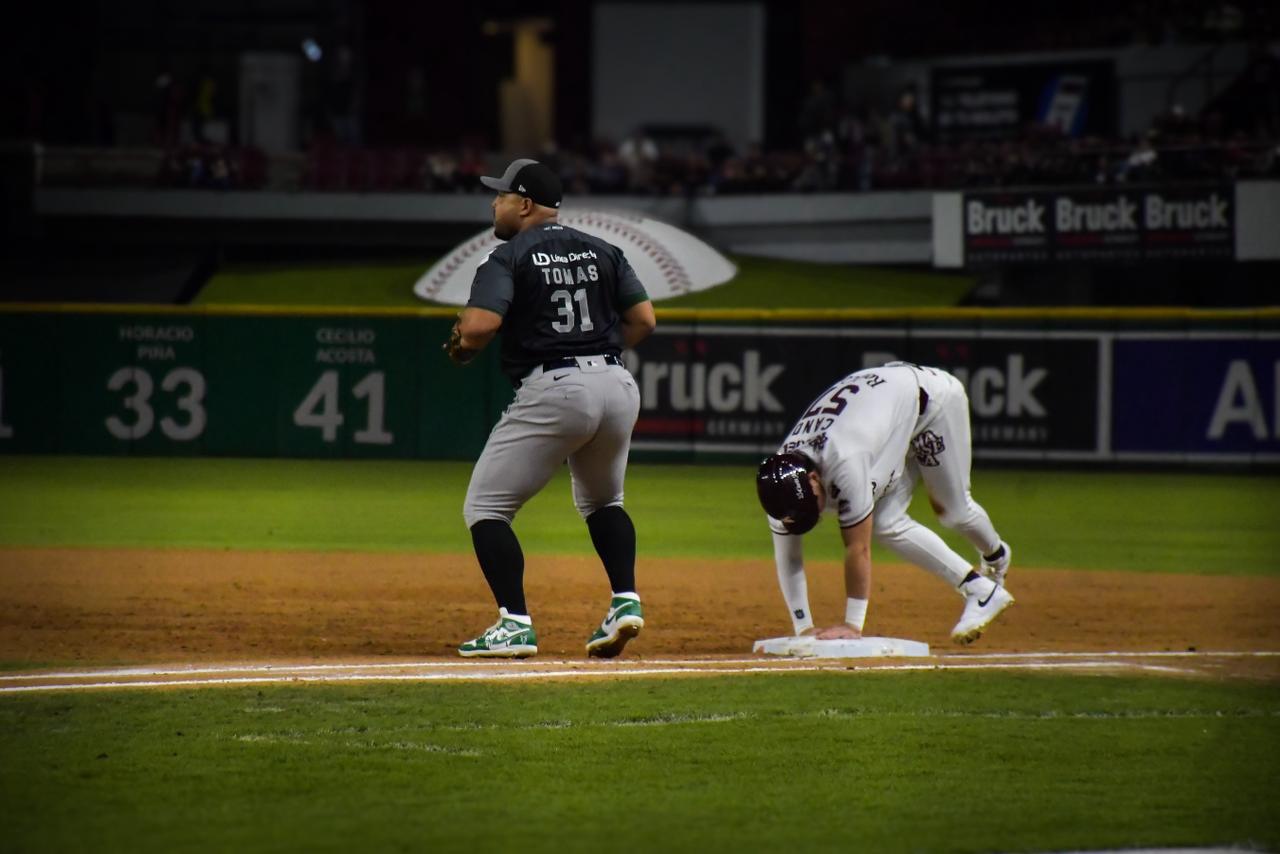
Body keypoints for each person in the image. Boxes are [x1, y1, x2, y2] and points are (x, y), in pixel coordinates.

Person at [443, 158, 657, 659]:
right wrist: (597, 351)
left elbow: (478, 328)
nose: (494, 203)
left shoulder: (507, 256)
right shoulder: (604, 250)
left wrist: (462, 344)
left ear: (524, 204)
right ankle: (625, 601)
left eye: (500, 195)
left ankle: (514, 623)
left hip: (556, 385)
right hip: (616, 383)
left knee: (486, 508)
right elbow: (644, 320)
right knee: (605, 502)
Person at [755, 362, 1014, 645]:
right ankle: (980, 590)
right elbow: (789, 559)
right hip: (890, 414)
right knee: (885, 524)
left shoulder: (845, 461)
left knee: (955, 512)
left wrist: (852, 625)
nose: (813, 515)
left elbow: (858, 547)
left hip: (933, 402)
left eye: (811, 506)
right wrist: (803, 627)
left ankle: (996, 557)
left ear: (814, 479)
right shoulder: (779, 484)